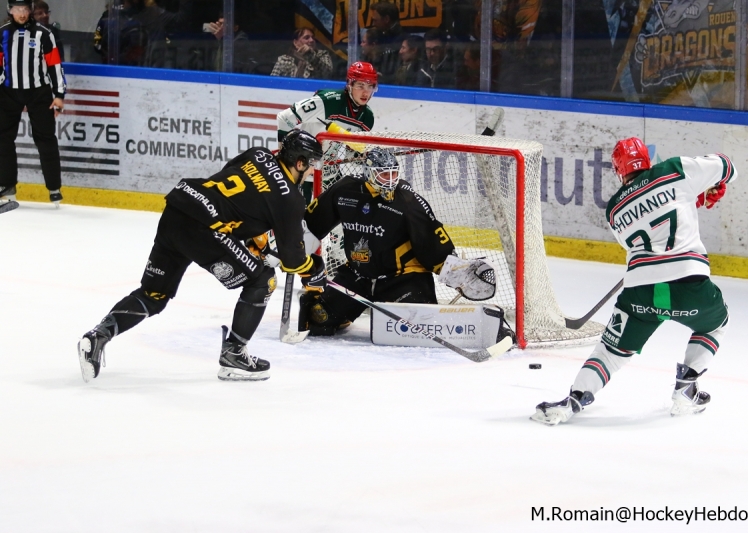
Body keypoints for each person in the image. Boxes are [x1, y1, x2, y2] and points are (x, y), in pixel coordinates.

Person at [77, 130, 327, 383]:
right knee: (263, 280)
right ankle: (234, 355)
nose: (310, 172)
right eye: (311, 165)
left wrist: (250, 234)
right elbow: (293, 261)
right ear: (299, 162)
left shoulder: (257, 154)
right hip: (203, 229)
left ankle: (99, 335)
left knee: (154, 294)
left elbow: (237, 190)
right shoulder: (291, 199)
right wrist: (314, 269)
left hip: (179, 208)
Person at [531, 137, 738, 425]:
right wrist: (703, 188)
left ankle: (575, 399)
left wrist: (695, 197)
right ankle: (686, 388)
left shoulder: (614, 209)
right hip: (688, 283)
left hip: (640, 291)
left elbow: (650, 223)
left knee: (611, 351)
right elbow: (727, 166)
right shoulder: (676, 169)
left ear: (619, 170)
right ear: (647, 160)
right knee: (716, 323)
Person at [299, 147, 496, 336]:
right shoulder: (344, 191)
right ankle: (347, 313)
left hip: (402, 279)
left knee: (424, 327)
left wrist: (459, 274)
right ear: (368, 172)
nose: (390, 180)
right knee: (319, 319)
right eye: (384, 175)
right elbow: (312, 224)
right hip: (357, 277)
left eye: (394, 174)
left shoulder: (408, 202)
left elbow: (433, 244)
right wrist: (294, 251)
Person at [276, 61, 378, 203]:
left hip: (330, 176)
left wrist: (364, 156)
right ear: (350, 84)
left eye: (370, 86)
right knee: (297, 218)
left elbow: (351, 154)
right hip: (304, 173)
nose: (366, 92)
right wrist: (286, 157)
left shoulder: (367, 118)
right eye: (360, 85)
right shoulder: (328, 101)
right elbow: (285, 118)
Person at [0, 0, 66, 206]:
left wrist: (59, 94)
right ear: (10, 10)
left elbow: (54, 64)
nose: (21, 13)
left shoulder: (44, 34)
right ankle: (7, 184)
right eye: (17, 9)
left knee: (45, 138)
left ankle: (54, 187)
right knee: (2, 138)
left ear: (30, 10)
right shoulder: (2, 33)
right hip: (8, 92)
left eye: (25, 9)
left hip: (39, 93)